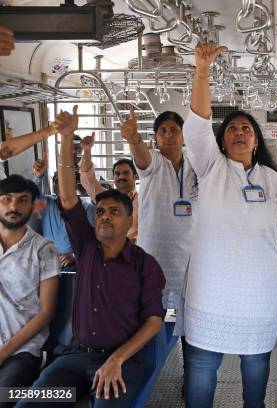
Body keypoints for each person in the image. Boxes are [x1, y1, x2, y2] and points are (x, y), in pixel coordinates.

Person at [176, 43, 277, 408]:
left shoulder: (275, 182)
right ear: (222, 139)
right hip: (210, 294)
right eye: (232, 128)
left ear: (256, 139)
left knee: (255, 381)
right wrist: (202, 70)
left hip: (258, 298)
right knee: (201, 376)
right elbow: (197, 129)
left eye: (246, 128)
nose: (238, 132)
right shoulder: (210, 167)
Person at [17, 106, 166, 407]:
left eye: (114, 212)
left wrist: (118, 359)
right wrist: (66, 136)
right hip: (72, 360)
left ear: (128, 221)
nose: (105, 217)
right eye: (100, 212)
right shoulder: (85, 248)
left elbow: (153, 321)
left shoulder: (144, 265)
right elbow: (69, 197)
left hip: (119, 363)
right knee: (26, 402)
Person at [120, 108, 194, 310]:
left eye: (174, 130)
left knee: (189, 315)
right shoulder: (154, 162)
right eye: (162, 131)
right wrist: (134, 140)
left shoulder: (194, 166)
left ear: (183, 135)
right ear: (156, 138)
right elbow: (142, 157)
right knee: (152, 313)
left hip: (187, 257)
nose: (169, 135)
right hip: (153, 254)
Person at [0, 175, 59, 403]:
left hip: (22, 350)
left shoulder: (44, 250)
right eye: (7, 199)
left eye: (22, 200)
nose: (14, 206)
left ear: (33, 206)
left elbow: (46, 313)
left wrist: (4, 352)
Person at [31, 155, 95, 268]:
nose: (61, 184)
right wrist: (38, 176)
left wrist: (74, 255)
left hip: (77, 265)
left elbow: (94, 243)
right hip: (47, 264)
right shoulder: (46, 203)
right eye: (56, 180)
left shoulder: (88, 209)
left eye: (66, 180)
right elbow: (26, 196)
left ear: (75, 185)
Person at [79, 133, 139, 242]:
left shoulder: (145, 200)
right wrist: (87, 151)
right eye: (117, 173)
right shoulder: (105, 199)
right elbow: (87, 179)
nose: (121, 176)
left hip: (136, 252)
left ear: (136, 176)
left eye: (126, 173)